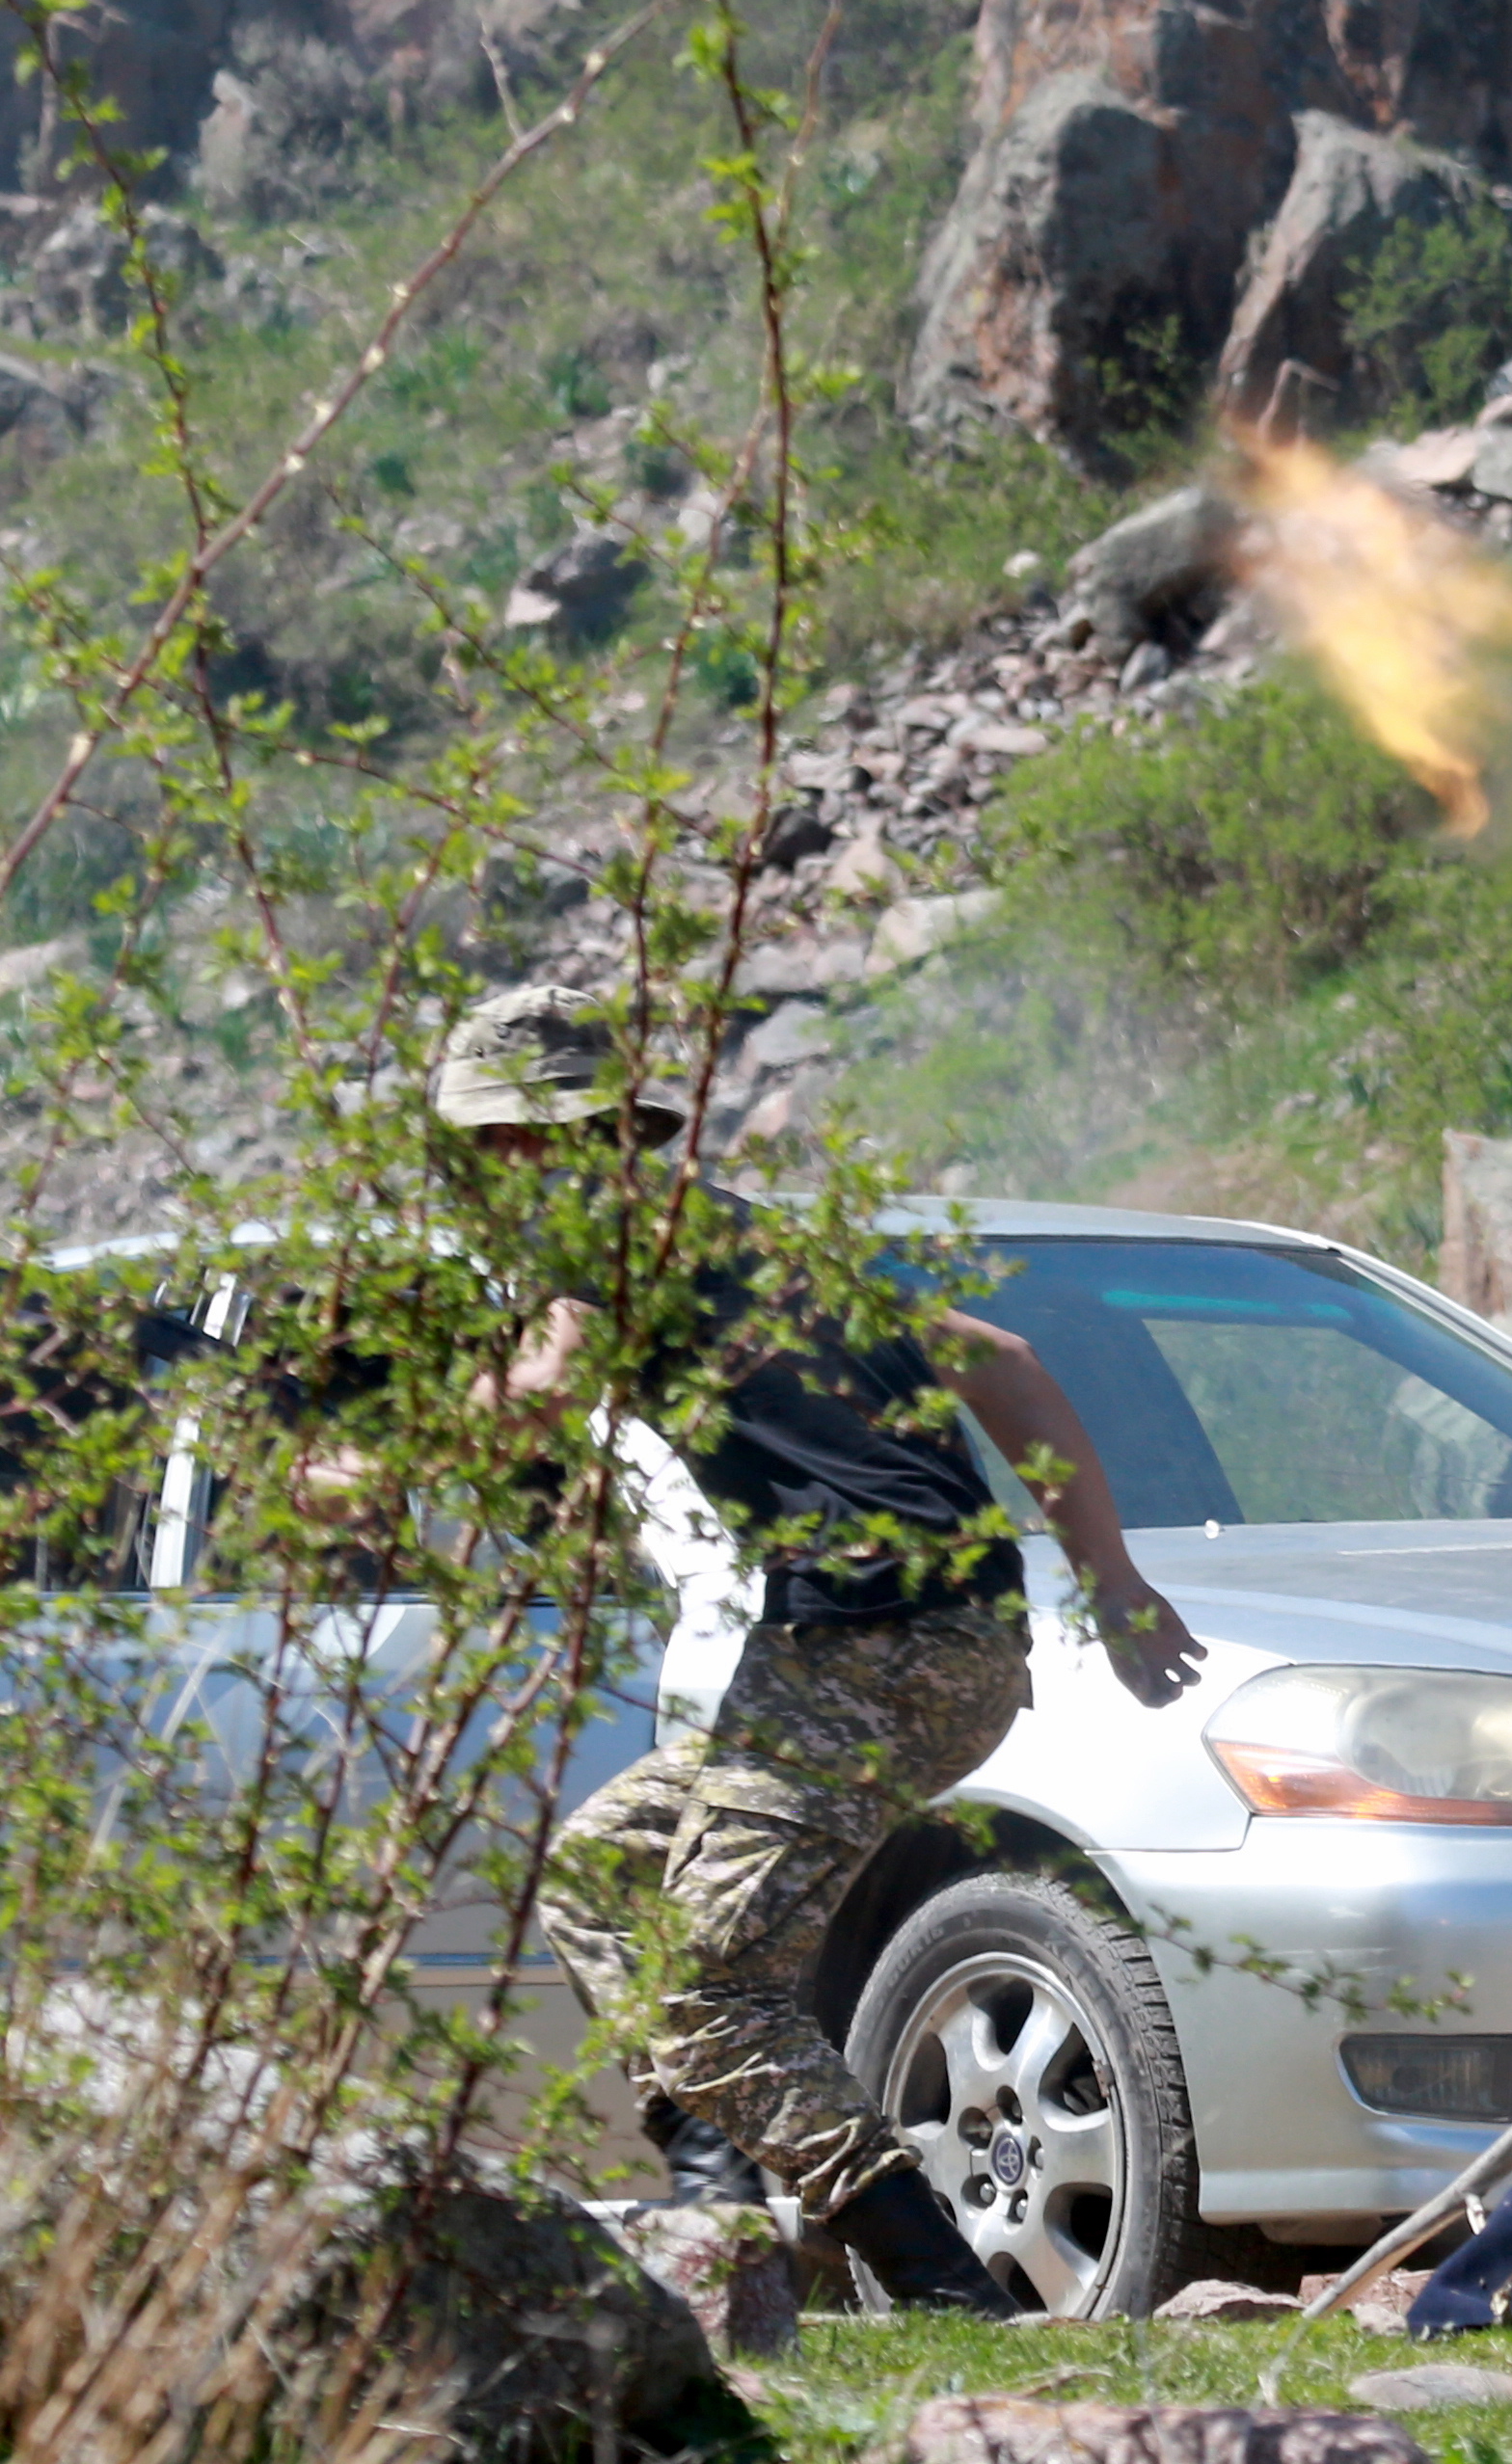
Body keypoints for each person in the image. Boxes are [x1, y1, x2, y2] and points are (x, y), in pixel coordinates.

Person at [429, 985, 1208, 2317]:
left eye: (486, 1153)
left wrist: (393, 1443)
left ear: (530, 1142)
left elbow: (545, 1389)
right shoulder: (760, 1242)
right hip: (934, 1641)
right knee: (603, 1871)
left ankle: (938, 2283)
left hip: (867, 1645)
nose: (486, 1183)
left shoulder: (606, 1244)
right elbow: (1005, 1359)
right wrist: (1111, 1583)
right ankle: (712, 2177)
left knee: (714, 1980)